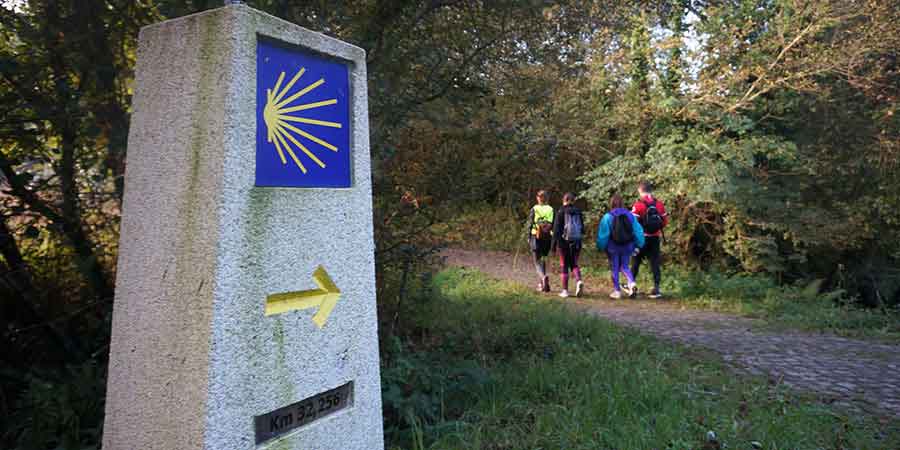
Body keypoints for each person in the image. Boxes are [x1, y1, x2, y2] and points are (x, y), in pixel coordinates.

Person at [596, 194, 644, 299]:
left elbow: (603, 234)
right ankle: (632, 283)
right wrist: (639, 243)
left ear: (611, 204)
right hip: (628, 245)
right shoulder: (630, 215)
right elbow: (638, 231)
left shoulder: (608, 217)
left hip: (613, 247)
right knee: (625, 266)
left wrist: (601, 246)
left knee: (615, 268)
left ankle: (617, 291)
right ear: (622, 203)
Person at [631, 181, 669, 298]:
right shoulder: (659, 204)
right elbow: (665, 221)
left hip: (641, 238)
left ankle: (631, 285)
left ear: (640, 191)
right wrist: (656, 228)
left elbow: (632, 223)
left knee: (636, 261)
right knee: (655, 263)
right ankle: (656, 289)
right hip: (655, 238)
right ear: (651, 190)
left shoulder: (638, 205)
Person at [551, 192, 584, 298]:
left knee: (564, 265)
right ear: (573, 201)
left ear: (564, 200)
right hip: (577, 242)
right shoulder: (578, 212)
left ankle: (565, 291)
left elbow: (556, 231)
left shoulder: (561, 211)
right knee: (574, 264)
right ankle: (579, 281)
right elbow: (583, 229)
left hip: (563, 243)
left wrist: (553, 246)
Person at [526, 190, 554, 292]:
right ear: (547, 198)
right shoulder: (551, 209)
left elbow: (530, 223)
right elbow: (553, 223)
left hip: (535, 236)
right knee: (543, 259)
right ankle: (542, 285)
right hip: (547, 237)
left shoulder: (535, 208)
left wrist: (528, 236)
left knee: (536, 261)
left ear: (538, 198)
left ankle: (543, 277)